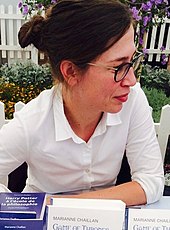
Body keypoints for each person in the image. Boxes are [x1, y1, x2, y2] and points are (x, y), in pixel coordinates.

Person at [0, 0, 164, 206]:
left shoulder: (132, 99)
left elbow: (151, 181)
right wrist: (24, 207)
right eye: (117, 67)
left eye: (132, 60)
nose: (131, 80)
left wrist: (65, 203)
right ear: (70, 72)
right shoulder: (33, 122)